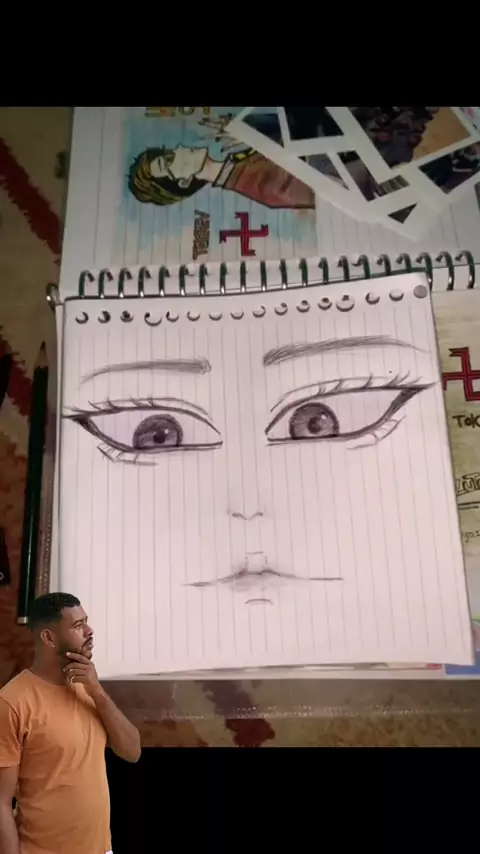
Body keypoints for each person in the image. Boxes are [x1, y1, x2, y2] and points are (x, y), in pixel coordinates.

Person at [0, 592, 141, 854]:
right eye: (78, 625)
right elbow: (1, 802)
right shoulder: (12, 702)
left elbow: (132, 752)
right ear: (49, 638)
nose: (90, 631)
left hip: (101, 849)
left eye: (86, 621)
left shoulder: (88, 687)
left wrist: (97, 691)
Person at [127, 143, 315, 210]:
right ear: (184, 181)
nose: (180, 148)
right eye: (169, 160)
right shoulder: (264, 187)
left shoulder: (239, 158)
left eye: (169, 152)